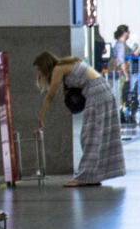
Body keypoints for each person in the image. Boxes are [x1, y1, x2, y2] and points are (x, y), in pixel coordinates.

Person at [34, 51, 126, 188]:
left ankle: (85, 177)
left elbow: (50, 96)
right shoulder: (67, 62)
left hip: (96, 93)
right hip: (103, 90)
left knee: (90, 136)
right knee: (98, 135)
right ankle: (93, 176)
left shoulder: (59, 68)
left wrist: (40, 117)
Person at [108, 24, 137, 118]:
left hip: (119, 73)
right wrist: (126, 75)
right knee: (121, 92)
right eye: (128, 32)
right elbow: (121, 61)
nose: (129, 34)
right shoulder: (121, 45)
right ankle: (121, 111)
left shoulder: (120, 44)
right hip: (120, 74)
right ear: (124, 33)